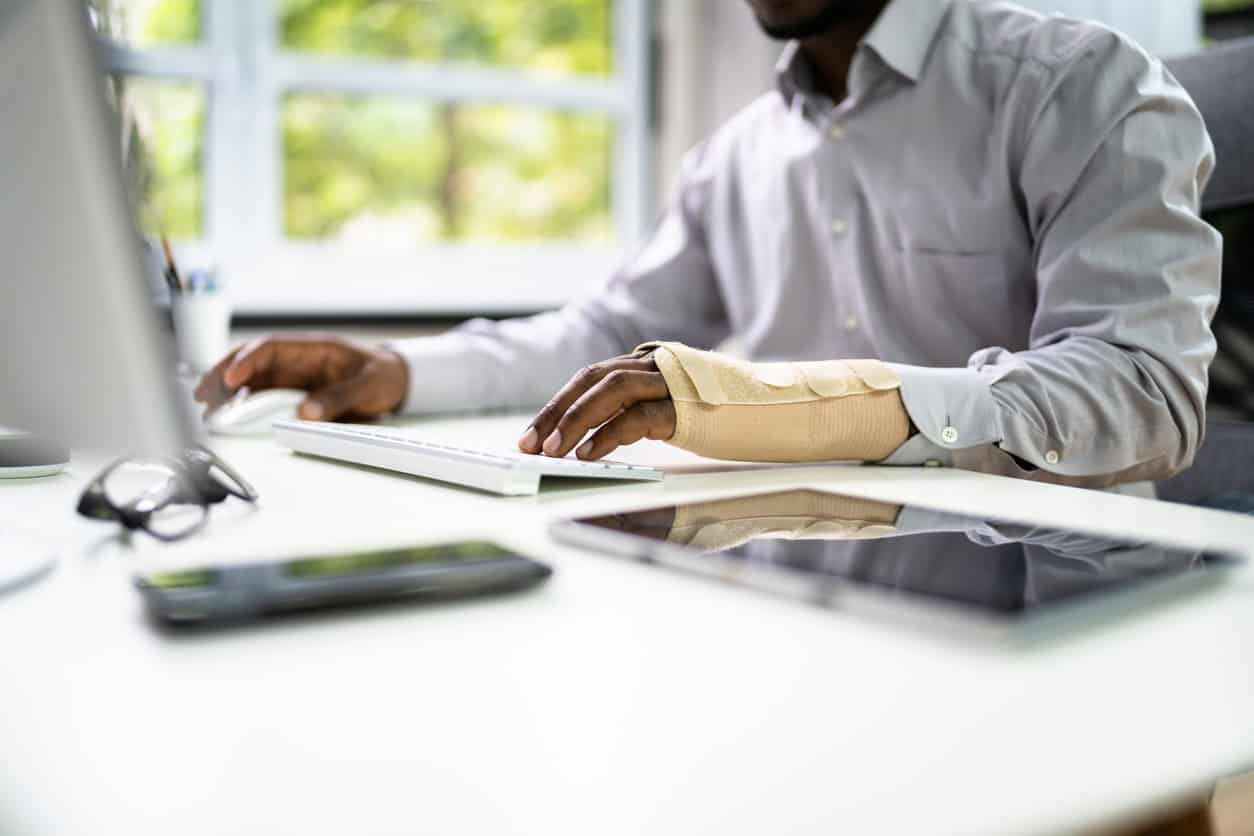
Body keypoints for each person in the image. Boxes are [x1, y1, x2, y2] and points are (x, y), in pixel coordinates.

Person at [195, 0, 1222, 489]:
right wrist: (398, 367)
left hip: (1046, 579)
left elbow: (1145, 387)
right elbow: (607, 334)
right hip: (791, 557)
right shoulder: (735, 155)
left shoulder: (1080, 89)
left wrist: (796, 407)